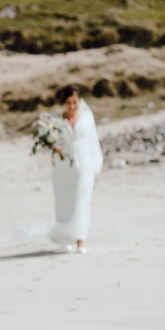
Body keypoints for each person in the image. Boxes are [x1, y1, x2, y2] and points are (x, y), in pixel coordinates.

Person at [51, 84, 103, 254]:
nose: (72, 106)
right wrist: (55, 147)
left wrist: (96, 164)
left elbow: (93, 142)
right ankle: (67, 237)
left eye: (75, 102)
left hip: (84, 163)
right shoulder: (57, 121)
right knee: (65, 201)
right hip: (64, 164)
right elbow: (54, 142)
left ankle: (81, 239)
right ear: (64, 103)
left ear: (79, 101)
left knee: (81, 200)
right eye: (68, 103)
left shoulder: (87, 118)